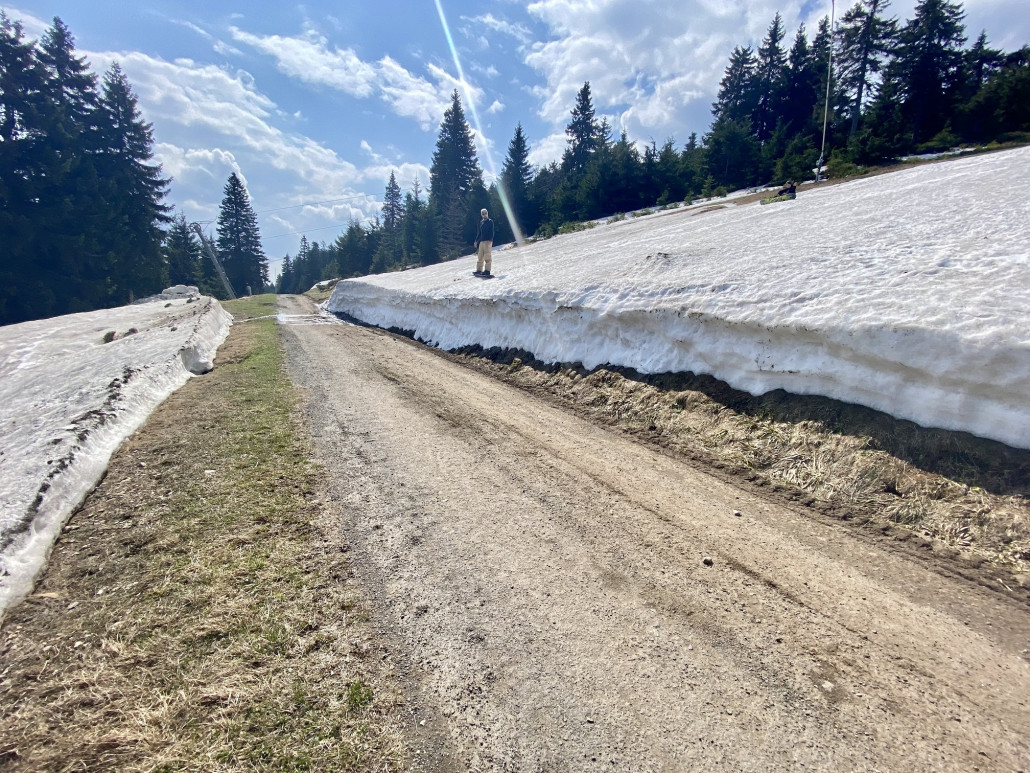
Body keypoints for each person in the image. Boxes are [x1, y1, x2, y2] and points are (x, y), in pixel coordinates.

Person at [474, 208, 494, 277]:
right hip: (481, 241)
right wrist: (476, 241)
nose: (484, 214)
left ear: (487, 213)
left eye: (485, 213)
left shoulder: (490, 221)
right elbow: (479, 233)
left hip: (487, 241)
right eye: (483, 213)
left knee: (487, 256)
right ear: (481, 215)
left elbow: (491, 232)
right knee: (480, 256)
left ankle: (487, 270)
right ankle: (479, 270)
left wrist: (490, 240)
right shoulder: (481, 222)